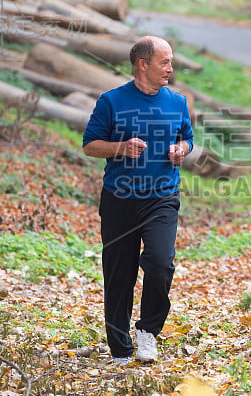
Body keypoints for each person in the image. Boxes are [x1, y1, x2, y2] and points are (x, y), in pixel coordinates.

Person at [82, 35, 193, 364]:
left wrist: (181, 150)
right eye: (165, 62)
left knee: (160, 263)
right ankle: (120, 348)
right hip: (120, 199)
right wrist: (120, 147)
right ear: (142, 64)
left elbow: (187, 138)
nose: (170, 69)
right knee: (119, 274)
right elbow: (90, 145)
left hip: (162, 197)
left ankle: (147, 331)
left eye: (171, 62)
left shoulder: (177, 102)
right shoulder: (111, 101)